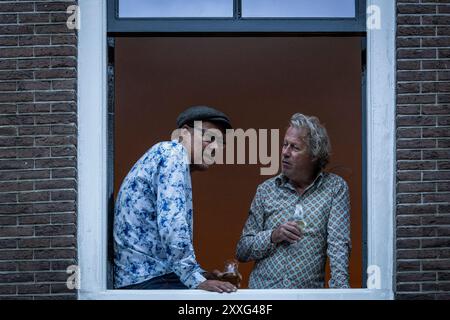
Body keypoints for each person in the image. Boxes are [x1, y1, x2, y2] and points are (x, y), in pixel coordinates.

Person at [114, 105, 237, 293]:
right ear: (184, 134)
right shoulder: (172, 151)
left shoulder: (166, 157)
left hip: (143, 280)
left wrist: (201, 274)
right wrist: (193, 277)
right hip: (149, 282)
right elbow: (172, 223)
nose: (215, 148)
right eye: (210, 138)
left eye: (220, 143)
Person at [236, 113, 351, 289]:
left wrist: (341, 294)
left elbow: (338, 246)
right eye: (284, 145)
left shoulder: (334, 188)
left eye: (295, 148)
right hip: (264, 297)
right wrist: (274, 235)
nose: (285, 153)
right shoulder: (266, 190)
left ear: (314, 154)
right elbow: (242, 250)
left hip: (306, 297)